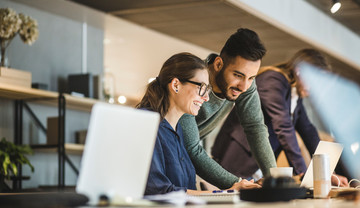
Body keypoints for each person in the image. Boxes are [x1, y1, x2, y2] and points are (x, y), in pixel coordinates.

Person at [212, 49, 349, 187]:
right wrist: (303, 174)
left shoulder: (294, 95)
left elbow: (309, 132)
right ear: (299, 71)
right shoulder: (273, 80)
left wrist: (327, 172)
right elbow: (284, 127)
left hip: (259, 163)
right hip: (239, 155)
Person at [137, 52, 260, 195]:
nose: (206, 98)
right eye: (201, 88)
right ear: (176, 85)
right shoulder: (148, 124)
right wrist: (226, 193)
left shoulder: (178, 131)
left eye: (207, 90)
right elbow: (159, 190)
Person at [179, 28, 277, 190]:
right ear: (218, 64)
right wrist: (235, 183)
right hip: (156, 154)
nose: (244, 86)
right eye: (238, 75)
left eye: (251, 78)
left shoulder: (244, 86)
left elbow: (255, 128)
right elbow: (191, 148)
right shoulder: (193, 81)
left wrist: (274, 178)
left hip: (184, 160)